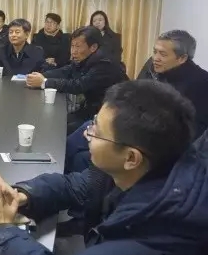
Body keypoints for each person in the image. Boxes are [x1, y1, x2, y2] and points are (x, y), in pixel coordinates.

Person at [0, 80, 207, 255]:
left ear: (131, 158)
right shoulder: (149, 165)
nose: (87, 133)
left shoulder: (167, 227)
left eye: (97, 132)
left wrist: (0, 230)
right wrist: (23, 195)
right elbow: (77, 185)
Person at [67, 30, 208, 174]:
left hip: (153, 147)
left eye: (163, 54)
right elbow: (136, 101)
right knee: (86, 129)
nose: (156, 58)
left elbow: (188, 136)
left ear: (182, 58)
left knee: (82, 158)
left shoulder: (200, 85)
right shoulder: (157, 70)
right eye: (155, 52)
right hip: (136, 128)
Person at [26, 26, 127, 134]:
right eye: (72, 46)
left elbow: (79, 85)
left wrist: (44, 82)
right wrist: (40, 75)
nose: (73, 51)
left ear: (93, 47)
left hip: (111, 113)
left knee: (60, 128)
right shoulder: (86, 57)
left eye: (78, 46)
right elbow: (66, 70)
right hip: (92, 106)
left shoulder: (104, 63)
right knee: (56, 121)